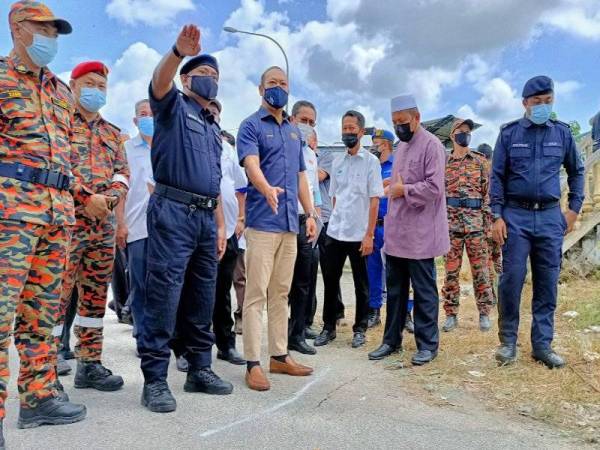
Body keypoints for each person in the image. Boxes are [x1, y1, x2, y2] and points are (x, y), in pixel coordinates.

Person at [0, 1, 86, 434]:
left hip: (58, 216)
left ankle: (37, 399)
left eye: (55, 32)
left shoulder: (59, 89)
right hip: (10, 213)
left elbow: (69, 152)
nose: (50, 38)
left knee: (41, 316)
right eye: (43, 29)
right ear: (17, 27)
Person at [139, 25, 232, 413]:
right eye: (201, 74)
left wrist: (221, 224)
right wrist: (177, 51)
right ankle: (156, 380)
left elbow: (216, 182)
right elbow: (158, 82)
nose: (208, 81)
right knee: (164, 294)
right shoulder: (172, 106)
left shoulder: (213, 125)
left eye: (214, 76)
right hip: (172, 213)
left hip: (205, 219)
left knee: (202, 296)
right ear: (185, 78)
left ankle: (199, 368)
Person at [491, 76, 584, 368]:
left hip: (548, 216)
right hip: (515, 216)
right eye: (536, 102)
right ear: (525, 104)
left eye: (548, 101)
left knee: (547, 284)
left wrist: (574, 209)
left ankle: (542, 345)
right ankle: (508, 342)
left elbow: (577, 171)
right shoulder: (508, 134)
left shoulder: (562, 134)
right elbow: (496, 176)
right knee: (511, 280)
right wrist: (496, 216)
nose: (543, 106)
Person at [237, 66, 317, 391]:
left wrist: (310, 213)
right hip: (262, 223)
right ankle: (253, 363)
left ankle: (280, 356)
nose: (278, 88)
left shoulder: (295, 132)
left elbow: (301, 177)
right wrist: (266, 187)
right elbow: (251, 163)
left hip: (289, 225)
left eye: (283, 84)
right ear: (260, 89)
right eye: (272, 83)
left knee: (280, 293)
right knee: (255, 294)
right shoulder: (251, 125)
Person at [52, 61, 129, 395]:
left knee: (95, 300)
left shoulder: (113, 133)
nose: (96, 90)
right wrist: (87, 198)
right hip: (66, 224)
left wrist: (108, 201)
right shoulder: (59, 124)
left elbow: (122, 174)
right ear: (73, 84)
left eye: (102, 85)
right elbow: (57, 166)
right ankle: (47, 364)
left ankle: (90, 364)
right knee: (55, 296)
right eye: (90, 83)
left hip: (102, 229)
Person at [369, 94, 449, 365]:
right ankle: (391, 340)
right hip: (397, 230)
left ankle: (427, 345)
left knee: (424, 290)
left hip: (421, 233)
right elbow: (404, 179)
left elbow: (435, 188)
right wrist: (393, 181)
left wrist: (404, 189)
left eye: (402, 121)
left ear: (416, 118)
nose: (399, 126)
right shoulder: (401, 147)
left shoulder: (432, 145)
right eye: (394, 122)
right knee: (395, 289)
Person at [314, 110, 384, 349]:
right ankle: (329, 327)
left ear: (361, 132)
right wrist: (336, 219)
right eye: (344, 128)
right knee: (331, 282)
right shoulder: (337, 161)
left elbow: (375, 199)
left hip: (359, 234)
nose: (347, 132)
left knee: (361, 283)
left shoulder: (371, 162)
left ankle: (360, 328)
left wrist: (369, 234)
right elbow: (334, 196)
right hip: (336, 232)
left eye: (352, 128)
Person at [441, 119, 494, 333]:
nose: (465, 135)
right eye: (461, 132)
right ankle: (451, 314)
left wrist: (488, 224)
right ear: (452, 135)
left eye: (468, 132)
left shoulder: (480, 161)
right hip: (450, 224)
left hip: (476, 225)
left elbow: (488, 194)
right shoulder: (443, 162)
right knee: (450, 272)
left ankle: (484, 314)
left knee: (481, 271)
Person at [207, 100, 247, 366]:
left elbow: (241, 187)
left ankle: (225, 344)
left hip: (229, 231)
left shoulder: (228, 149)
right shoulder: (189, 145)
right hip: (198, 230)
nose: (211, 116)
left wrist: (241, 218)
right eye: (207, 112)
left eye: (215, 113)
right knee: (193, 291)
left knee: (222, 291)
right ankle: (188, 348)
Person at [115, 99, 155, 351]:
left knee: (165, 286)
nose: (148, 118)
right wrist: (121, 223)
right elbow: (120, 190)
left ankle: (165, 336)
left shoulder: (169, 147)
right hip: (137, 227)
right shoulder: (126, 150)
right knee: (139, 284)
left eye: (152, 114)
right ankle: (142, 336)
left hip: (168, 230)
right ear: (135, 120)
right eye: (143, 114)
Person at [288, 100, 322, 355]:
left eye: (311, 122)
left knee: (305, 280)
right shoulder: (285, 146)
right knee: (284, 284)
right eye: (304, 120)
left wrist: (315, 216)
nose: (307, 126)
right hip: (286, 221)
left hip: (306, 222)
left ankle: (298, 330)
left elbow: (312, 190)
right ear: (292, 119)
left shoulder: (310, 154)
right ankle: (286, 332)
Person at [366, 129, 395, 328]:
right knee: (373, 271)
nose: (372, 146)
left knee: (398, 272)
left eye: (375, 143)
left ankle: (405, 314)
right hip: (373, 227)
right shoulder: (370, 166)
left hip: (394, 227)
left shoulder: (398, 165)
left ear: (385, 144)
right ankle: (374, 311)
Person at [478, 143, 502, 304]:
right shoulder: (499, 172)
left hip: (485, 224)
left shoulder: (480, 172)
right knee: (498, 259)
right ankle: (502, 292)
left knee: (487, 261)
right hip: (498, 223)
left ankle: (492, 295)